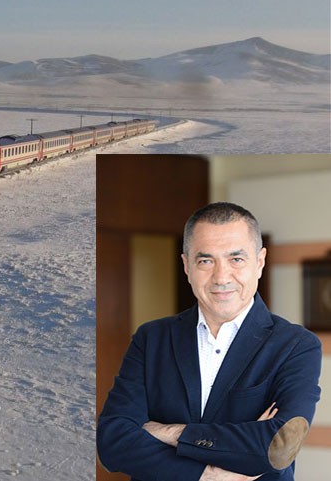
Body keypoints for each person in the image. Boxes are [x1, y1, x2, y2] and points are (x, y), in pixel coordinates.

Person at [97, 202, 322, 481]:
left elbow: (278, 446)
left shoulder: (296, 345)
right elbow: (112, 442)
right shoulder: (151, 338)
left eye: (236, 259)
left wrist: (170, 432)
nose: (221, 277)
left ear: (260, 262)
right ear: (186, 266)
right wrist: (206, 474)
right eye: (206, 261)